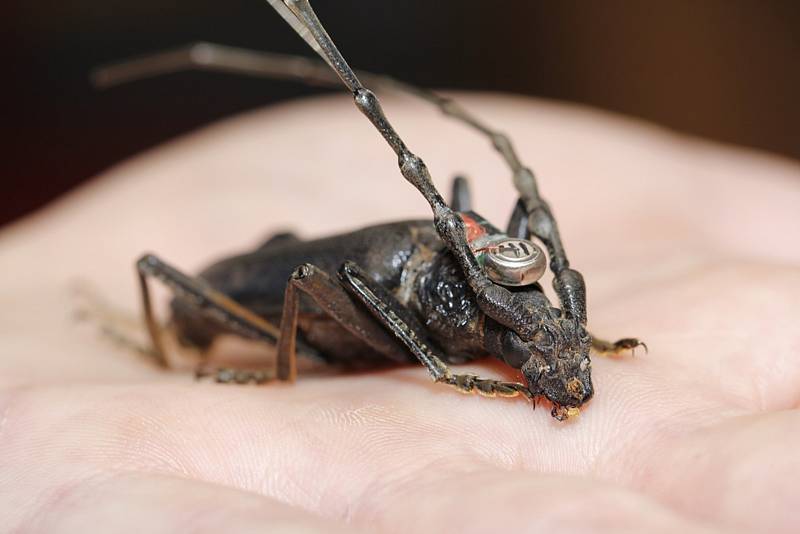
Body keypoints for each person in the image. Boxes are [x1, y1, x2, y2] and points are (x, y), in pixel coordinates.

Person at [1, 93, 798, 533]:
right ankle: (169, 347)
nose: (530, 337)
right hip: (263, 305)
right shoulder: (412, 299)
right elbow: (316, 279)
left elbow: (520, 296)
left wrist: (578, 334)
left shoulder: (490, 278)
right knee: (305, 273)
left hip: (376, 282)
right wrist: (444, 372)